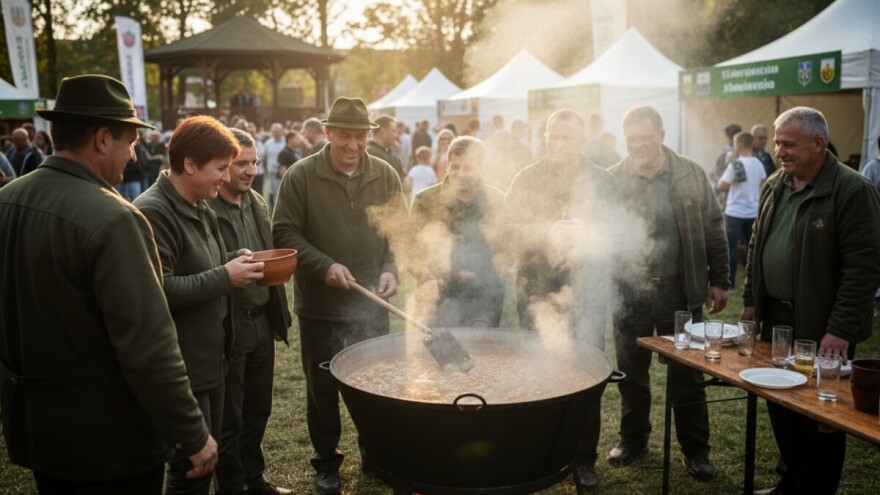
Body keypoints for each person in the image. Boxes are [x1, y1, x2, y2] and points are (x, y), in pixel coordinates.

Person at [0, 74, 217, 494]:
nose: (134, 155)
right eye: (129, 141)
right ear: (102, 139)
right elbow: (149, 345)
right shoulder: (115, 218)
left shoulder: (7, 201)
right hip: (110, 443)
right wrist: (193, 433)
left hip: (42, 434)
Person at [741, 107, 880, 495]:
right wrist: (751, 301)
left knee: (823, 414)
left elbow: (863, 268)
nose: (779, 151)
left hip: (823, 328)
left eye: (789, 144)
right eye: (777, 142)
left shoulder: (852, 191)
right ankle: (792, 481)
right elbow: (756, 246)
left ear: (818, 143)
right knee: (781, 405)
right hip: (777, 323)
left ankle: (814, 488)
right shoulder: (775, 184)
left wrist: (840, 330)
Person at [272, 97, 406, 495]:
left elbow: (399, 232)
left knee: (374, 386)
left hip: (370, 304)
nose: (352, 144)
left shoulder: (384, 174)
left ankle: (375, 454)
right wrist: (322, 264)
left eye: (359, 136)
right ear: (327, 133)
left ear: (369, 135)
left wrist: (391, 268)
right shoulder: (300, 176)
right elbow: (283, 232)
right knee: (323, 391)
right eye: (344, 135)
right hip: (321, 307)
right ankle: (326, 462)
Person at [134, 116, 264, 495]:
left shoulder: (200, 203)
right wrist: (226, 276)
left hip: (212, 360)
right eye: (220, 168)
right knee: (192, 468)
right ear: (190, 164)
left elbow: (200, 262)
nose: (225, 178)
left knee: (211, 458)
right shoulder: (153, 212)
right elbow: (160, 288)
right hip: (184, 366)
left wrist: (230, 257)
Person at [607, 106, 729, 481]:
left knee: (687, 377)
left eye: (646, 136)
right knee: (630, 374)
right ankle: (633, 440)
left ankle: (696, 452)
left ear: (661, 134)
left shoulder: (689, 173)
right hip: (630, 292)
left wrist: (719, 278)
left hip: (680, 292)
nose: (639, 145)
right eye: (631, 140)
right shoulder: (611, 180)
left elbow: (713, 226)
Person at [503, 108, 622, 492]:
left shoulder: (602, 181)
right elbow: (505, 232)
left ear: (582, 141)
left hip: (586, 294)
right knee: (538, 372)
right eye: (552, 136)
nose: (558, 144)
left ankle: (583, 458)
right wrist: (546, 230)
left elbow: (620, 233)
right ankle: (538, 451)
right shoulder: (527, 177)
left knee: (586, 374)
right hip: (535, 292)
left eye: (567, 137)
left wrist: (589, 231)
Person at [210, 128, 293, 495]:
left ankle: (254, 480)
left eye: (254, 162)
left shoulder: (257, 200)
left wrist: (278, 317)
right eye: (240, 163)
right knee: (229, 418)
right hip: (229, 328)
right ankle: (232, 487)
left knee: (258, 409)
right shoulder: (206, 207)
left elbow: (270, 251)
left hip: (261, 322)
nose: (250, 170)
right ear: (222, 165)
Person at [410, 136, 505, 328]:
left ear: (481, 168)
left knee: (483, 351)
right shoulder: (425, 201)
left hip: (484, 297)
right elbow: (410, 249)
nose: (460, 173)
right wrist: (426, 276)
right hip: (437, 297)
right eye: (455, 167)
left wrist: (482, 274)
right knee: (437, 352)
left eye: (468, 168)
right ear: (447, 165)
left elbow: (504, 251)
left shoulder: (497, 201)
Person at [718, 131, 767, 290]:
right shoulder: (759, 163)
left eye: (734, 142)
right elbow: (763, 183)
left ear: (739, 145)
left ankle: (731, 284)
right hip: (753, 212)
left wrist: (728, 163)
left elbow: (723, 185)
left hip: (734, 212)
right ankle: (752, 282)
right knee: (751, 249)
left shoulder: (735, 164)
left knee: (731, 248)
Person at [711, 123, 742, 207]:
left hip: (729, 197)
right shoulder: (733, 153)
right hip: (730, 196)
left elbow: (716, 175)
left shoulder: (728, 153)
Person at [366, 114, 405, 179]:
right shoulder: (376, 155)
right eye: (394, 131)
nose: (397, 136)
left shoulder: (381, 152)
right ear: (383, 133)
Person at [262, 123, 286, 209]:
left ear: (282, 131)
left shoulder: (286, 142)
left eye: (278, 131)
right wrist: (265, 169)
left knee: (284, 192)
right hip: (272, 171)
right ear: (272, 132)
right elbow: (265, 157)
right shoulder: (268, 143)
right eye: (274, 131)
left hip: (284, 172)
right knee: (274, 191)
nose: (277, 133)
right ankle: (276, 208)